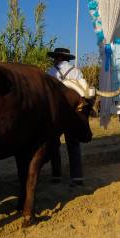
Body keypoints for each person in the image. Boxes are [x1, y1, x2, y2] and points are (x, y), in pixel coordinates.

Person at [46, 47, 85, 186]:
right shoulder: (76, 72)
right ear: (67, 58)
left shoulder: (50, 73)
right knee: (73, 144)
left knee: (54, 144)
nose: (53, 60)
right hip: (71, 112)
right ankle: (77, 178)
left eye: (55, 57)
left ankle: (56, 176)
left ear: (59, 57)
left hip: (55, 113)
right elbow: (82, 94)